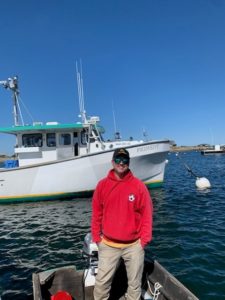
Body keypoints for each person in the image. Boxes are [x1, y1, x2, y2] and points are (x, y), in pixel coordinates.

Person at [91, 148, 153, 300]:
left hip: (134, 246)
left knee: (134, 285)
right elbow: (96, 214)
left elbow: (147, 214)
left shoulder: (139, 186)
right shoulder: (102, 185)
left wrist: (143, 241)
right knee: (101, 284)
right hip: (108, 245)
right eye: (118, 159)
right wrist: (97, 238)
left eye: (124, 160)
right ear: (112, 162)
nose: (121, 163)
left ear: (128, 163)